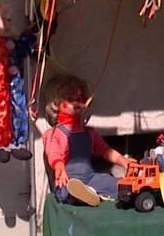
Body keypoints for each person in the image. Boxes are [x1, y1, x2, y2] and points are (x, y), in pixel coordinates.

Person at [42, 73, 135, 207]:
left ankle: (92, 193)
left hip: (89, 177)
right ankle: (84, 195)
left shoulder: (88, 132)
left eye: (80, 98)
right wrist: (59, 167)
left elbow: (105, 151)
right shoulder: (55, 133)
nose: (77, 103)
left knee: (114, 183)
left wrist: (123, 161)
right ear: (56, 103)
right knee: (66, 190)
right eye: (70, 99)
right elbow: (54, 153)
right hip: (69, 179)